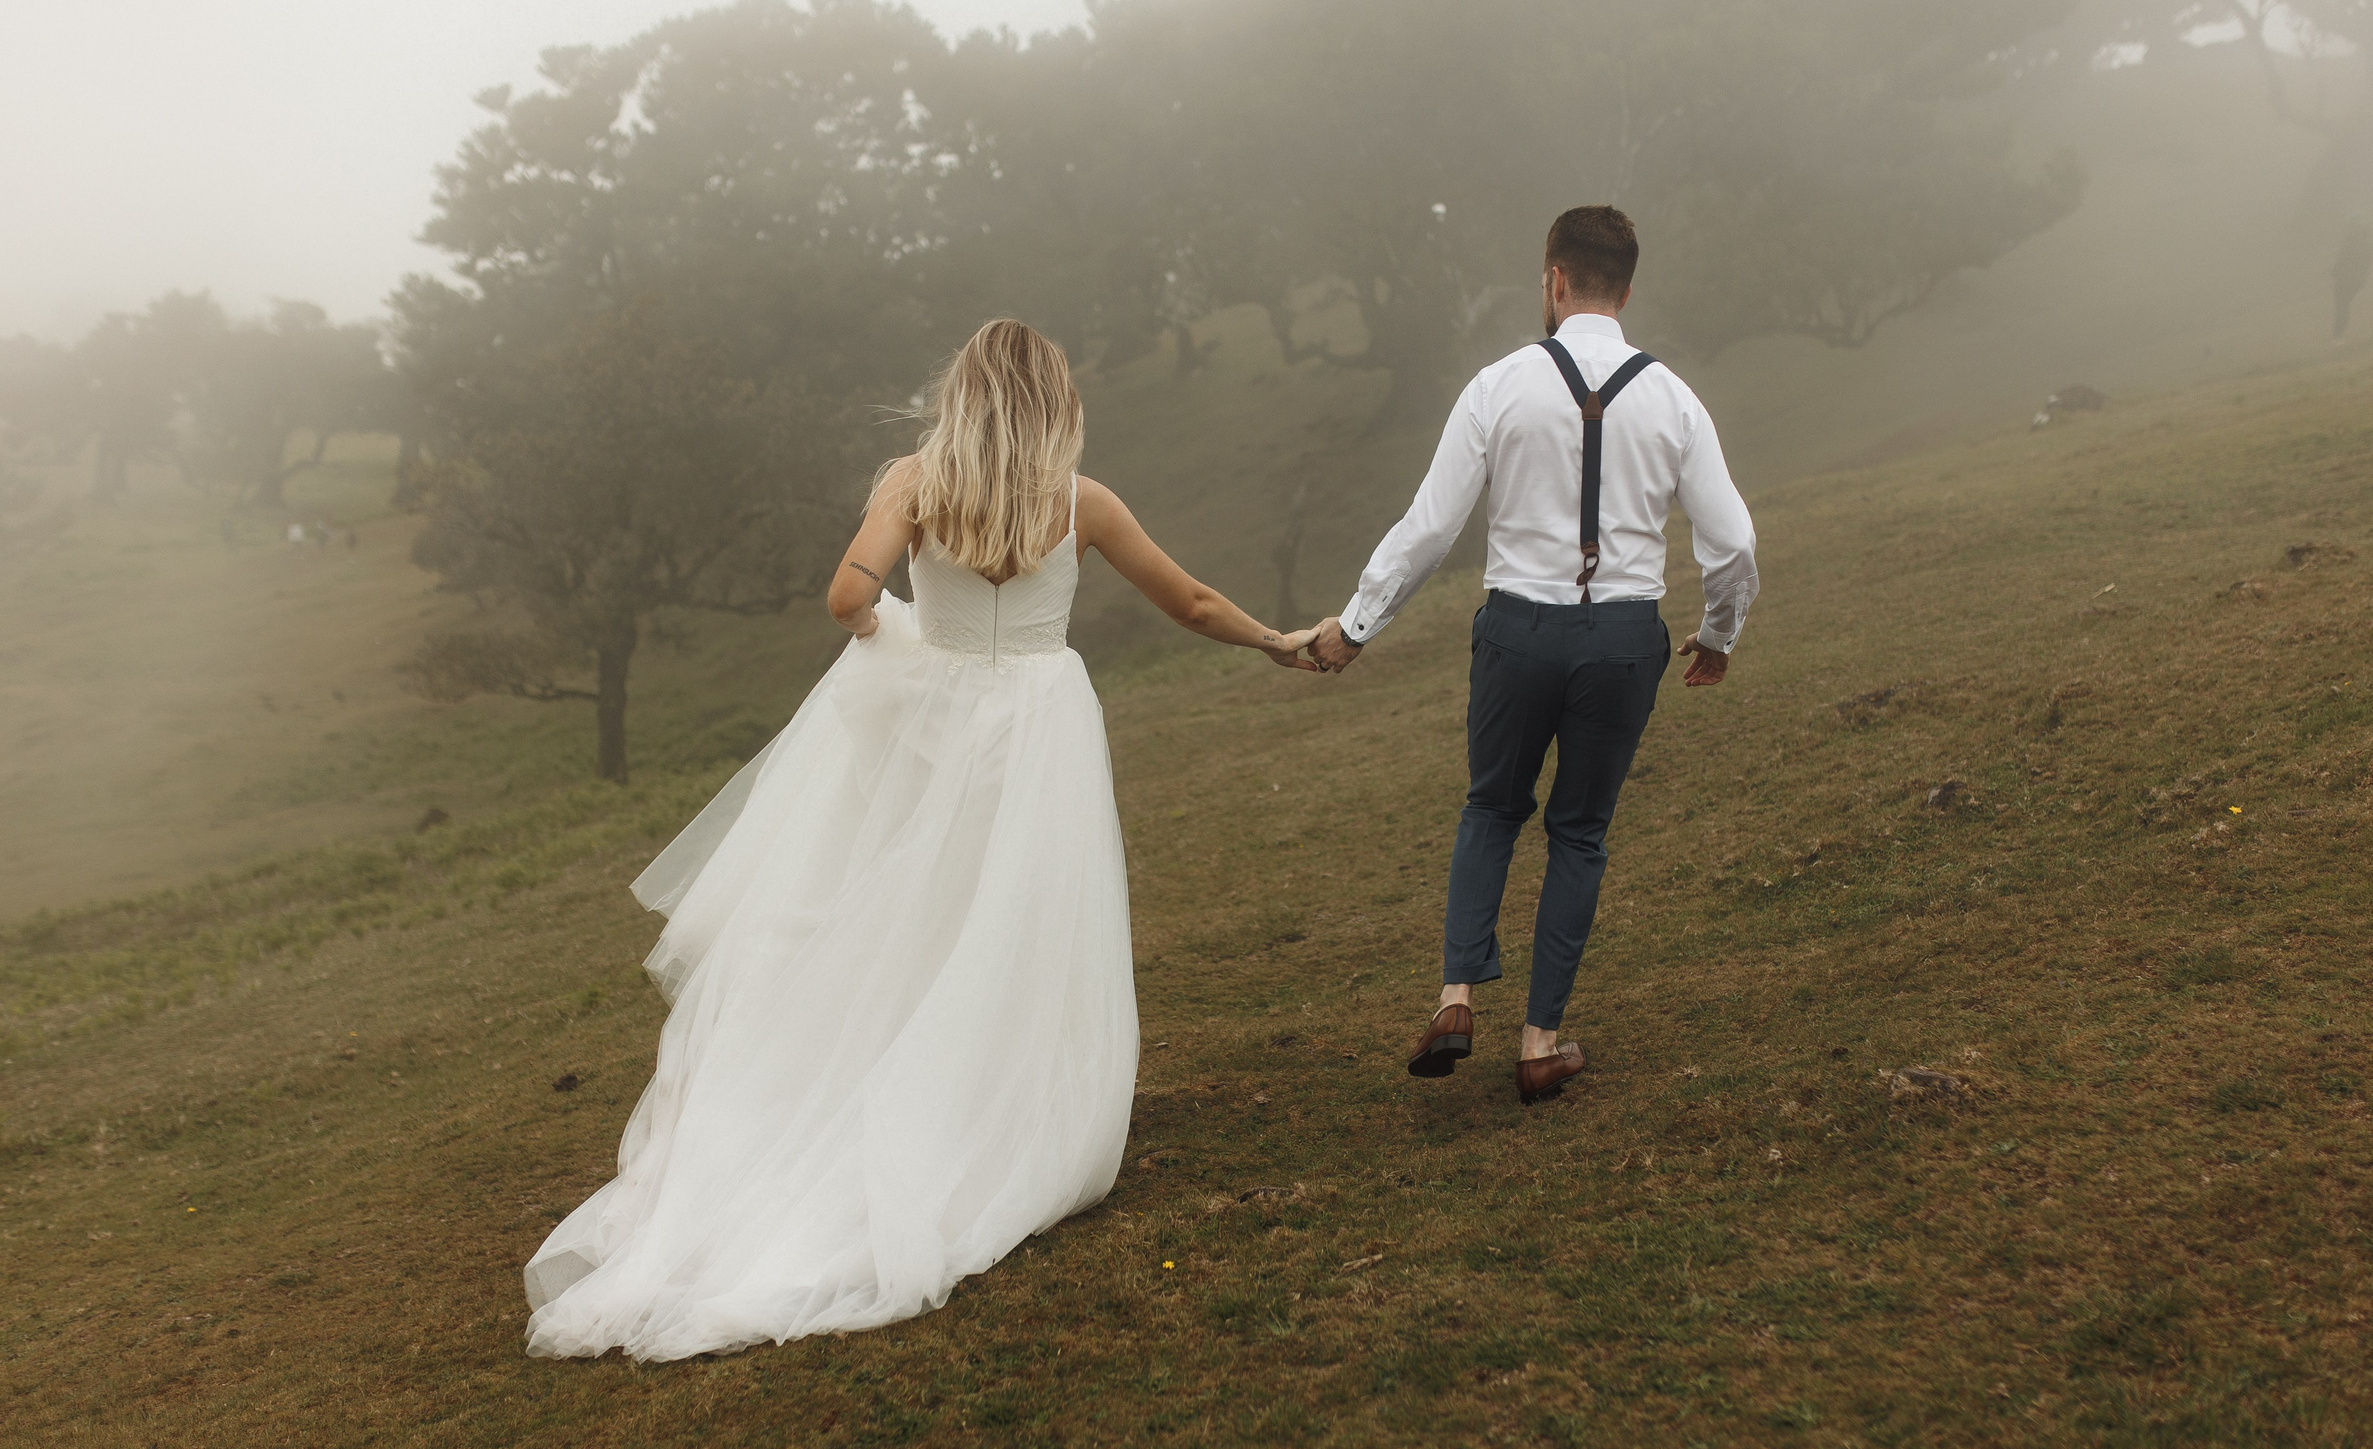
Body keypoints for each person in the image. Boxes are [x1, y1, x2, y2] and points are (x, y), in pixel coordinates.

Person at [524, 319, 1318, 1360]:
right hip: (1037, 728)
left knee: (912, 908)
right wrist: (1274, 640)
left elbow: (847, 595)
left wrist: (890, 640)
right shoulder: (1080, 503)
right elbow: (1192, 600)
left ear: (964, 395)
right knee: (1017, 916)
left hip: (940, 718)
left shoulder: (915, 482)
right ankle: (995, 1104)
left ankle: (882, 1082)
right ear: (1052, 403)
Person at [1306, 206, 1757, 1104]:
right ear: (1625, 290)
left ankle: (1457, 994)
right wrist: (1718, 634)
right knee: (1579, 835)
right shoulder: (1673, 398)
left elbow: (1430, 528)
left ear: (1553, 280)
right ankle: (1541, 1042)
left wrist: (1356, 626)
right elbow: (1733, 540)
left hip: (1518, 633)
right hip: (1625, 639)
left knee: (1491, 807)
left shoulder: (1497, 386)